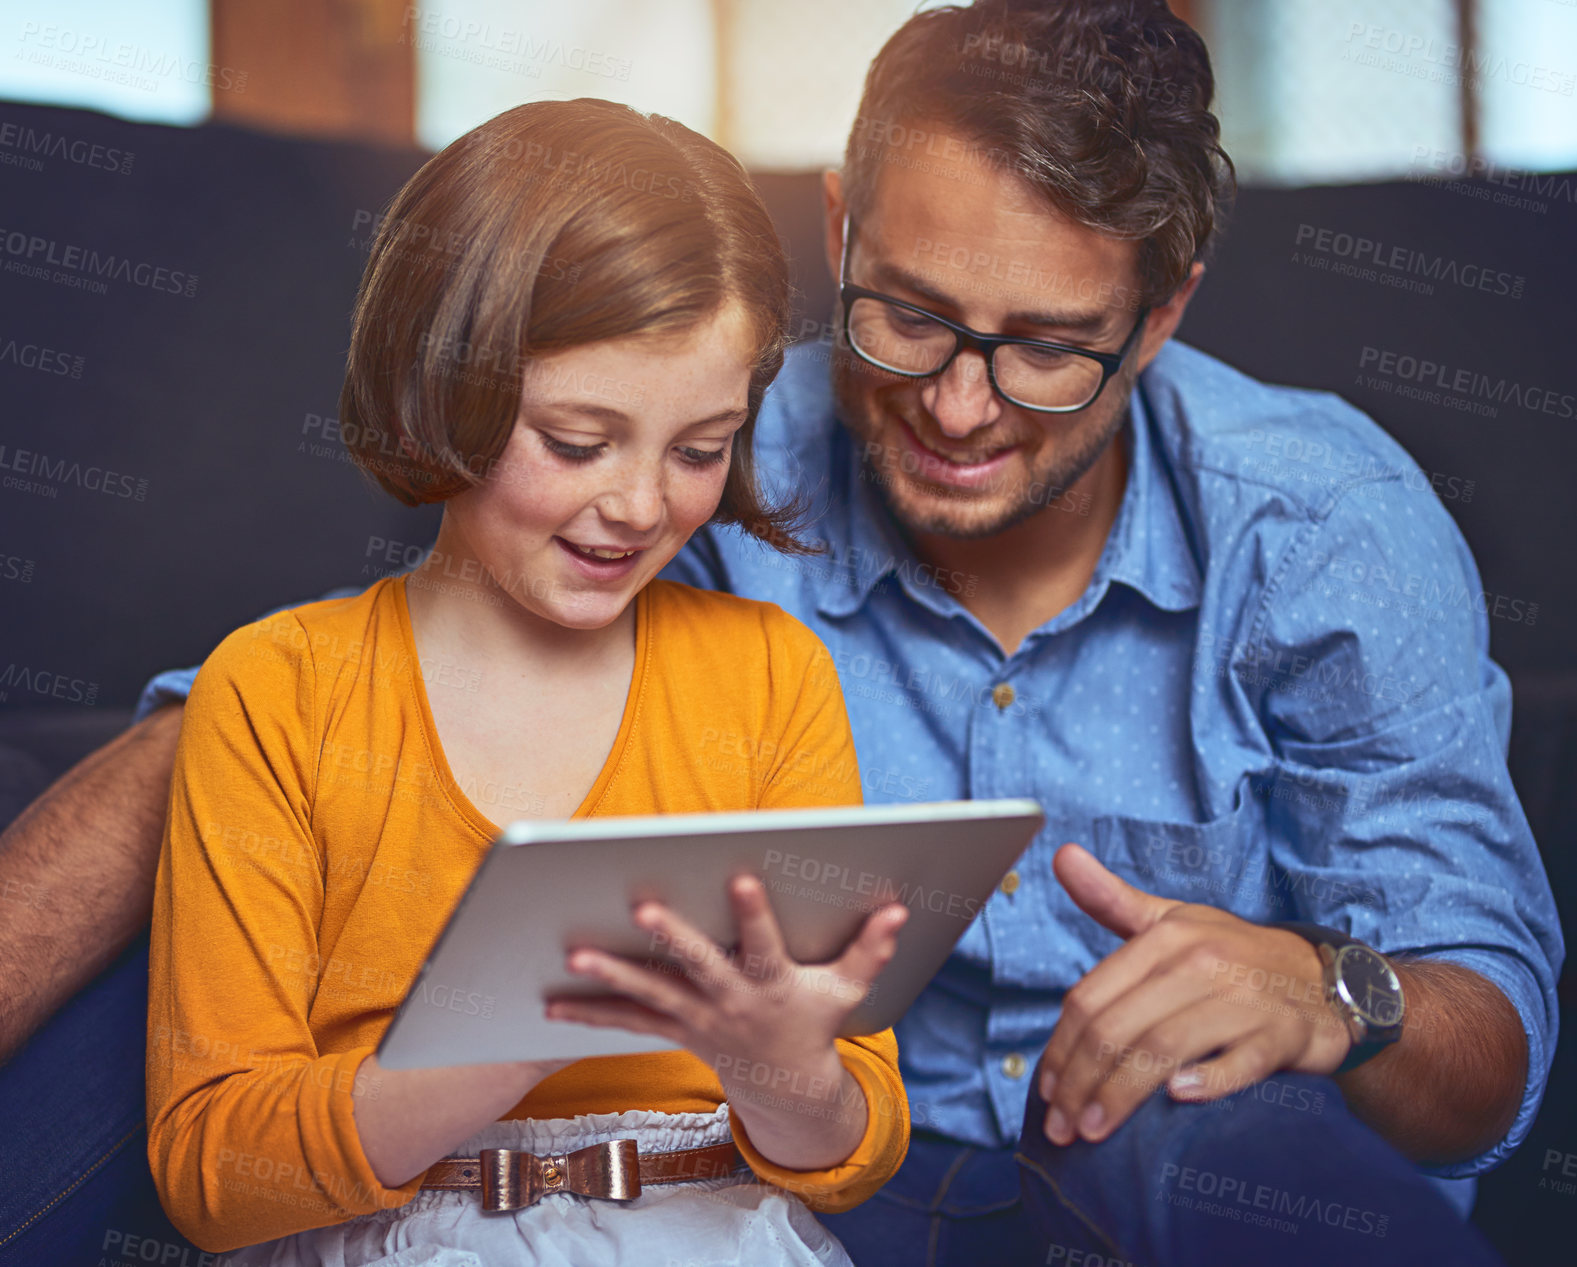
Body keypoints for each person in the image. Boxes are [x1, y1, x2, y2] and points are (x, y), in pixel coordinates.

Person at [0, 2, 1562, 1265]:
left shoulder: (1326, 520)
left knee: (1233, 1128)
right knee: (191, 931)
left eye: (1046, 353)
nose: (955, 408)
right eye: (910, 312)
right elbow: (296, 708)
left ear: (1160, 316)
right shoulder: (730, 453)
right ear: (839, 225)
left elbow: (1486, 1044)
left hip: (1120, 1153)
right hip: (804, 1189)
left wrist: (1336, 990)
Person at [141, 98, 910, 1265]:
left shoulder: (768, 676)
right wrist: (522, 1024)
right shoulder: (276, 691)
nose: (642, 504)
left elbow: (857, 1140)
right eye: (576, 440)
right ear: (441, 384)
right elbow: (210, 1167)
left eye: (700, 449)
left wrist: (779, 1064)